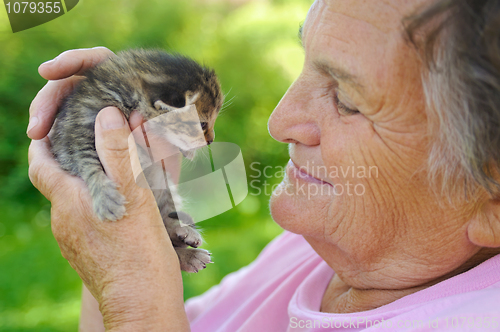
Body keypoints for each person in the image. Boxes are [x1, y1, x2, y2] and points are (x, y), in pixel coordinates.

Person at [28, 0, 500, 331]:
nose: (280, 122)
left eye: (348, 100)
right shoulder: (311, 251)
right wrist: (128, 196)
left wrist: (135, 301)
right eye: (308, 64)